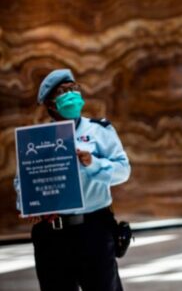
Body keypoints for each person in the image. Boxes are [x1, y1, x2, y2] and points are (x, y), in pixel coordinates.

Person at [14, 68, 130, 291]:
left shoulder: (100, 130)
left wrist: (92, 163)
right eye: (63, 91)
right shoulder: (37, 140)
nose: (72, 94)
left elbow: (123, 171)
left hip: (93, 229)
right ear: (50, 104)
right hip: (51, 234)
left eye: (74, 88)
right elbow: (23, 182)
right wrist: (27, 205)